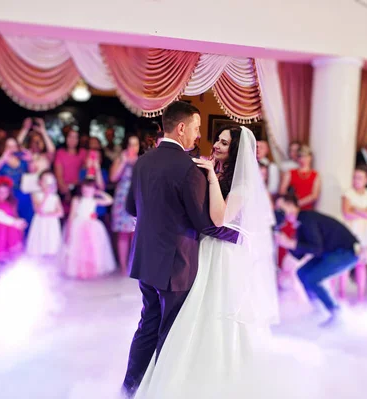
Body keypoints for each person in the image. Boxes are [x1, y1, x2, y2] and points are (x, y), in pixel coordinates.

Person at [132, 122, 278, 398]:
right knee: (195, 307)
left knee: (215, 307)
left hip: (222, 255)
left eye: (224, 143)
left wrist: (210, 176)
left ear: (235, 150)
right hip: (207, 248)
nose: (217, 145)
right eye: (219, 140)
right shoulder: (218, 174)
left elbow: (220, 218)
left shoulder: (243, 184)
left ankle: (218, 373)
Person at [121, 101, 240, 398]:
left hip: (145, 260)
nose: (199, 135)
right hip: (175, 266)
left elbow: (129, 207)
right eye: (197, 128)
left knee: (147, 325)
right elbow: (205, 224)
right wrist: (240, 238)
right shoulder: (188, 169)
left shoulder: (143, 161)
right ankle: (160, 391)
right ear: (182, 127)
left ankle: (130, 388)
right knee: (171, 334)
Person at [275, 193, 359, 325]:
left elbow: (316, 248)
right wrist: (286, 243)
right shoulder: (300, 222)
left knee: (313, 278)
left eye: (281, 207)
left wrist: (291, 243)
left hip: (345, 252)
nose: (279, 212)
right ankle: (318, 309)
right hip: (331, 252)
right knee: (302, 272)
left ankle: (335, 312)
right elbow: (300, 253)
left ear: (291, 205)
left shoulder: (306, 218)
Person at [337, 166, 367, 302]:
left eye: (360, 178)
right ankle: (342, 295)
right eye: (355, 177)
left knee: (362, 265)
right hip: (351, 231)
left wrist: (357, 209)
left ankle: (361, 297)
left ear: (366, 180)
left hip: (365, 232)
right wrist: (366, 211)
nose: (356, 180)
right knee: (345, 265)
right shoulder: (347, 193)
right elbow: (347, 214)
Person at [63, 179, 116, 279]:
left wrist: (99, 192)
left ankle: (91, 270)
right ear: (82, 189)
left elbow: (110, 200)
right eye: (86, 187)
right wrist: (69, 230)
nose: (88, 190)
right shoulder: (77, 199)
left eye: (91, 188)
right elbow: (72, 215)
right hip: (78, 225)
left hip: (91, 226)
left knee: (92, 249)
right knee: (78, 249)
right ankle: (79, 271)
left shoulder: (94, 200)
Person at [110, 134, 140, 274]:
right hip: (122, 196)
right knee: (123, 233)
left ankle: (133, 264)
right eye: (130, 144)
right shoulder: (120, 158)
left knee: (135, 232)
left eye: (136, 144)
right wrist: (123, 161)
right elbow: (113, 177)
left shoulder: (141, 160)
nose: (133, 148)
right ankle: (122, 266)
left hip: (137, 197)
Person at [0, 176, 24, 264]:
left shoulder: (11, 204)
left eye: (5, 192)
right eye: (0, 192)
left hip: (10, 233)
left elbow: (15, 217)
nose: (3, 195)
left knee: (10, 257)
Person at [26, 171, 64, 257]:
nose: (48, 184)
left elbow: (60, 212)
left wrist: (47, 215)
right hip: (40, 223)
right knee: (40, 243)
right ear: (40, 182)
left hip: (51, 223)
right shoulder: (36, 194)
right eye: (45, 181)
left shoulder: (55, 197)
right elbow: (38, 209)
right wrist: (46, 196)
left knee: (51, 244)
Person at [278, 145, 320, 210]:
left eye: (306, 156)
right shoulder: (290, 172)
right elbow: (282, 191)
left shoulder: (315, 175)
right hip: (290, 208)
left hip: (307, 210)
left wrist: (298, 203)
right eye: (301, 156)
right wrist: (292, 202)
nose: (303, 159)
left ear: (310, 157)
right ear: (298, 158)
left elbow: (314, 196)